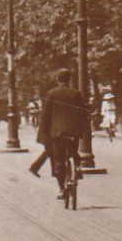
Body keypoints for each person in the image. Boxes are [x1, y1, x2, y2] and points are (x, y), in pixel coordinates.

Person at [33, 69, 87, 198]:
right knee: (73, 152)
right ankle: (77, 167)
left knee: (58, 161)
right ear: (69, 80)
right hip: (72, 133)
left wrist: (44, 136)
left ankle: (62, 189)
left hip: (56, 134)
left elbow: (45, 117)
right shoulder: (76, 94)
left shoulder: (51, 94)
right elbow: (82, 114)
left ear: (57, 80)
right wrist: (81, 131)